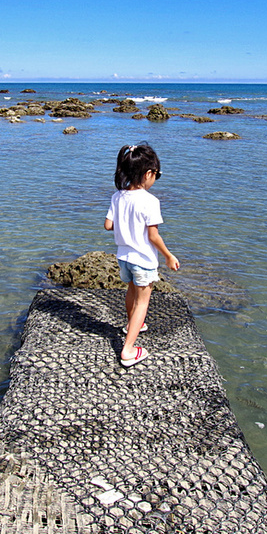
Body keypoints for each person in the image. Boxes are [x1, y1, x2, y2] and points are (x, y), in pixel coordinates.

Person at [104, 143, 180, 366]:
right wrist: (168, 255)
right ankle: (128, 350)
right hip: (143, 260)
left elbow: (108, 225)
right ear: (148, 173)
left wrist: (125, 223)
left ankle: (131, 325)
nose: (156, 178)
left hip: (124, 257)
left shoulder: (117, 196)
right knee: (142, 303)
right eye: (157, 174)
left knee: (131, 291)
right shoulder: (150, 201)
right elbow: (153, 236)